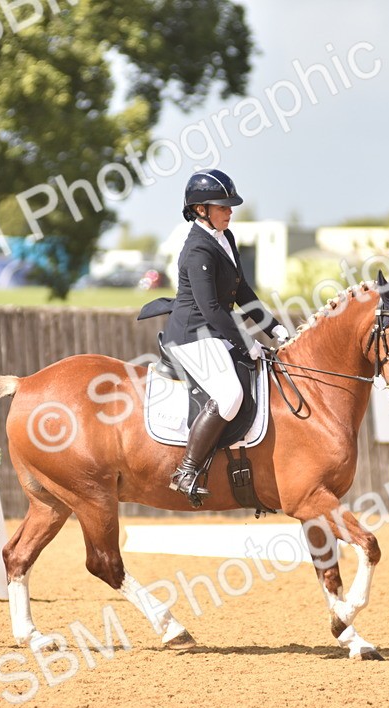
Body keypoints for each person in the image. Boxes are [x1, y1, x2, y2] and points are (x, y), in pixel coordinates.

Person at [160, 169, 289, 503]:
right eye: (223, 206)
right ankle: (187, 470)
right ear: (201, 209)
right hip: (192, 335)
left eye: (230, 206)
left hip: (215, 330)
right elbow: (214, 308)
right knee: (230, 395)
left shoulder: (225, 237)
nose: (230, 211)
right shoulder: (197, 250)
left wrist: (273, 328)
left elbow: (241, 291)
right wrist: (248, 343)